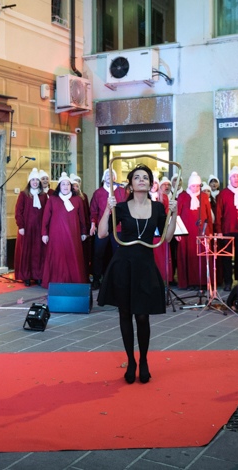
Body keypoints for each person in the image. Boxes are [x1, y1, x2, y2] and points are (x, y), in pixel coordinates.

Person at [97, 164, 178, 384]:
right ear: (131, 184)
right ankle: (130, 361)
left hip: (145, 266)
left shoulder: (158, 208)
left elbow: (167, 237)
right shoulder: (122, 207)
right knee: (125, 314)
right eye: (137, 177)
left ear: (150, 183)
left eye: (145, 177)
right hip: (123, 265)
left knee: (142, 315)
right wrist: (107, 209)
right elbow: (102, 233)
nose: (141, 180)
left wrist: (174, 213)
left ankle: (143, 360)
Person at [41, 172, 88, 284]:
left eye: (68, 184)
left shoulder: (77, 200)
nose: (66, 186)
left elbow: (82, 217)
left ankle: (74, 281)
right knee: (58, 257)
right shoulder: (52, 199)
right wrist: (44, 233)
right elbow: (46, 218)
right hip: (56, 235)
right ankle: (57, 282)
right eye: (63, 184)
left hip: (73, 234)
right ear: (59, 186)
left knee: (73, 257)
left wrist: (84, 232)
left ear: (71, 186)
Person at [175, 172, 213, 289]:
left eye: (197, 186)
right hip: (186, 233)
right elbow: (177, 215)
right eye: (193, 186)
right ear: (189, 185)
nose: (195, 188)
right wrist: (177, 232)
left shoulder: (204, 196)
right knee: (187, 256)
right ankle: (188, 282)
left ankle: (201, 282)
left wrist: (210, 232)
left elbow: (208, 215)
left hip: (201, 231)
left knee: (201, 257)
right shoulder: (182, 196)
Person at [90, 169, 126, 289]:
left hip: (118, 227)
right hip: (103, 226)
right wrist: (93, 224)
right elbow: (93, 210)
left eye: (111, 175)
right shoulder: (98, 193)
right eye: (106, 174)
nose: (108, 176)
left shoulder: (121, 191)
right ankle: (96, 279)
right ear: (103, 178)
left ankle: (117, 280)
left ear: (115, 178)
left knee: (118, 254)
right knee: (98, 253)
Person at [14, 168, 47, 286]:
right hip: (27, 229)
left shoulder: (43, 196)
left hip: (39, 229)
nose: (35, 182)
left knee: (38, 252)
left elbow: (46, 213)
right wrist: (21, 226)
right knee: (27, 252)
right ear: (29, 182)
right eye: (33, 180)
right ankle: (26, 276)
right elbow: (18, 211)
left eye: (37, 180)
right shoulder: (23, 195)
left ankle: (38, 275)